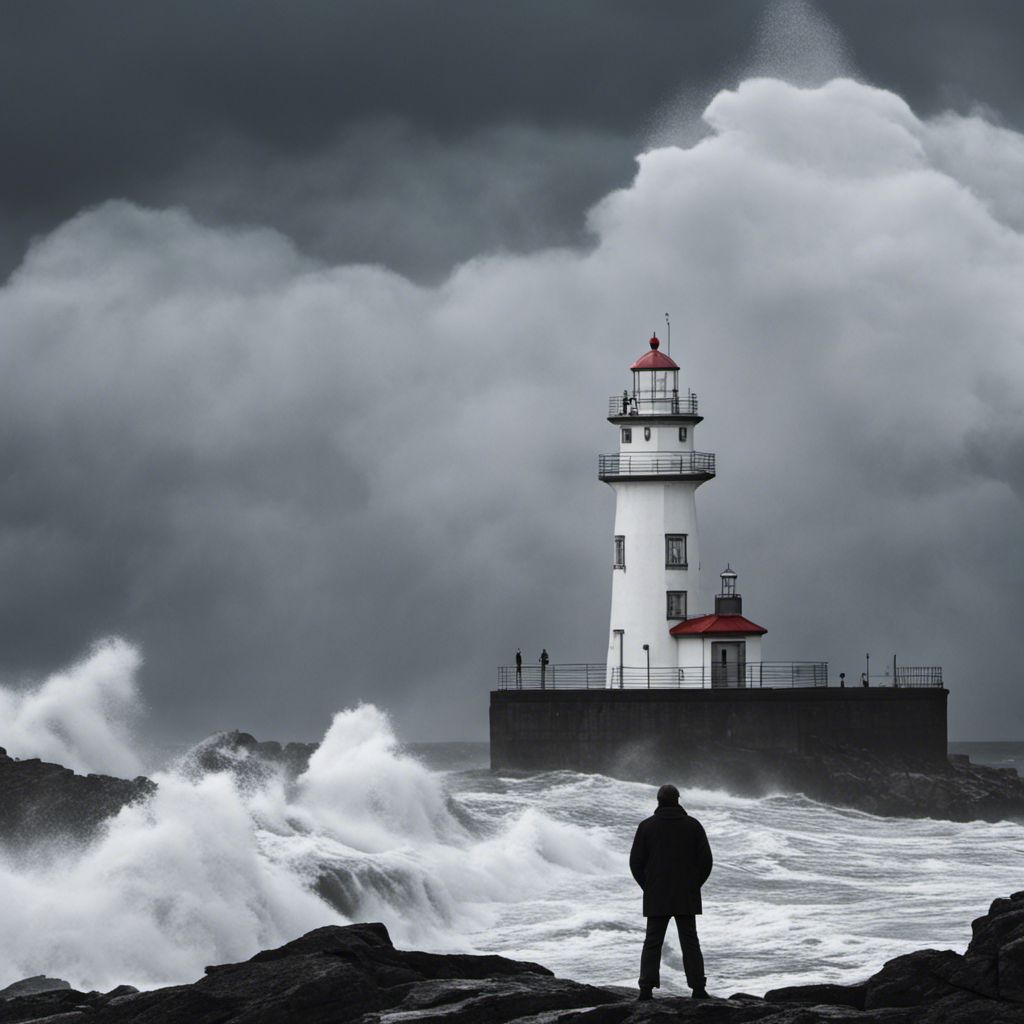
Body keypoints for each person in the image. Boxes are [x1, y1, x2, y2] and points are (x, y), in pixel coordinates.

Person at [629, 783, 713, 1001]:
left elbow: (635, 863)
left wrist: (648, 886)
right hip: (686, 893)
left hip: (657, 894)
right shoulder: (693, 825)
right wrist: (694, 885)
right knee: (690, 941)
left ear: (659, 801)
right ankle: (698, 989)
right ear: (678, 800)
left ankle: (645, 990)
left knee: (652, 942)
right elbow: (706, 862)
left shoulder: (646, 826)